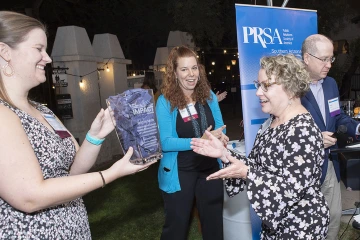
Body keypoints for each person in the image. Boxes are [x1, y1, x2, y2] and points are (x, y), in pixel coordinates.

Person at [0, 11, 155, 239]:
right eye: (38, 49)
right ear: (5, 52)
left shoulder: (43, 110)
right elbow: (29, 197)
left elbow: (73, 171)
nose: (48, 58)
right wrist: (110, 174)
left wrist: (95, 136)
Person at [191, 54, 330, 239]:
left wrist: (247, 173)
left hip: (300, 227)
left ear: (290, 89)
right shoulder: (274, 120)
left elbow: (291, 190)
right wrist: (224, 153)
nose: (258, 92)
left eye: (266, 85)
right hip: (276, 224)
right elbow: (257, 166)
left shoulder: (302, 130)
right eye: (259, 84)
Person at [156, 45, 228, 240]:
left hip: (210, 170)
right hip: (181, 172)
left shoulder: (209, 96)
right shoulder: (165, 101)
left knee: (214, 227)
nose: (191, 74)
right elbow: (166, 142)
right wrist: (199, 142)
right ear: (175, 73)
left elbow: (220, 125)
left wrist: (222, 136)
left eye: (194, 68)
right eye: (184, 69)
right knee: (176, 229)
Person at [301, 34, 360, 240]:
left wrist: (357, 128)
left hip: (329, 164)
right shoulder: (292, 87)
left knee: (333, 217)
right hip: (303, 169)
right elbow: (283, 129)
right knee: (307, 224)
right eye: (323, 59)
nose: (329, 65)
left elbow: (338, 118)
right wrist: (315, 138)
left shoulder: (331, 84)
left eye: (331, 59)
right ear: (307, 58)